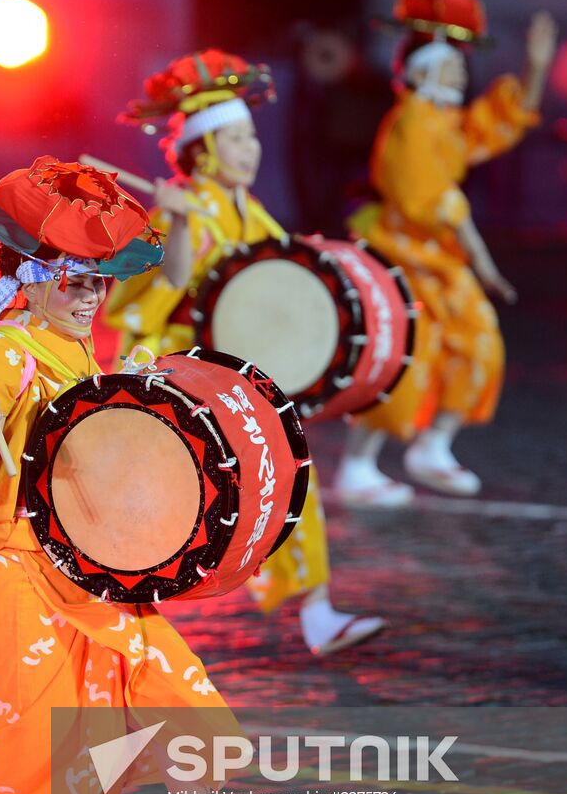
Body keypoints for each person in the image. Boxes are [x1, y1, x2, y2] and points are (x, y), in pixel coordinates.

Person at [0, 156, 288, 794]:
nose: (91, 298)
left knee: (173, 682)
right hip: (14, 563)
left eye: (98, 283)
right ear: (35, 279)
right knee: (39, 724)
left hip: (87, 560)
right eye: (76, 283)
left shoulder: (75, 347)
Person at [107, 50, 383, 655]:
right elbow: (172, 280)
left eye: (252, 137)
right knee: (162, 503)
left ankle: (316, 611)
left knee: (286, 474)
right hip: (178, 374)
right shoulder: (188, 208)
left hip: (224, 375)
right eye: (235, 139)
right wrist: (175, 224)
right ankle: (121, 611)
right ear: (203, 151)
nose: (251, 150)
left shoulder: (243, 208)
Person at [334, 0, 557, 504]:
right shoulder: (410, 123)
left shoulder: (443, 121)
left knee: (478, 341)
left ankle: (432, 446)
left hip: (440, 261)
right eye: (450, 66)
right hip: (399, 257)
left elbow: (494, 126)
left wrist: (536, 67)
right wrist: (478, 252)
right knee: (403, 358)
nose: (460, 74)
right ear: (422, 73)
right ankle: (358, 465)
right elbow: (423, 200)